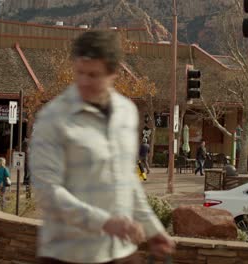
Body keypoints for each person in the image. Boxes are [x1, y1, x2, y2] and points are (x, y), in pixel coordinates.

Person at [30, 31, 174, 263]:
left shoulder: (127, 112)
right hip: (67, 254)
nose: (84, 82)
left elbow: (127, 180)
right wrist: (105, 223)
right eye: (80, 73)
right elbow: (48, 192)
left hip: (118, 252)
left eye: (94, 75)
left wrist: (153, 229)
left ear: (114, 73)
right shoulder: (52, 118)